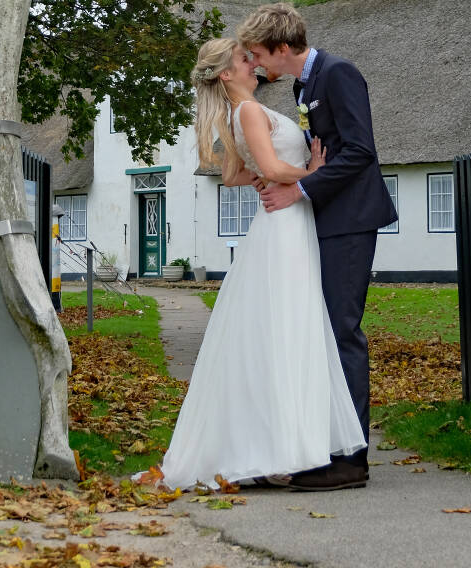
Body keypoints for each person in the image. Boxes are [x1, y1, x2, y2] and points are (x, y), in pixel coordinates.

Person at [154, 37, 366, 492]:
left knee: (280, 331)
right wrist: (309, 172)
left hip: (282, 224)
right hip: (286, 225)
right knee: (291, 330)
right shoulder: (248, 111)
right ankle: (285, 446)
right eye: (243, 60)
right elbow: (271, 166)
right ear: (226, 75)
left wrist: (270, 178)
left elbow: (232, 175)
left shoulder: (239, 113)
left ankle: (282, 444)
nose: (253, 64)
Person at [237, 3, 397, 491]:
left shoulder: (339, 73)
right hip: (323, 221)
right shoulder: (303, 85)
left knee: (342, 331)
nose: (256, 64)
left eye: (259, 54)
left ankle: (351, 460)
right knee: (322, 332)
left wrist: (301, 189)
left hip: (350, 220)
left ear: (282, 48)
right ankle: (323, 446)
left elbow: (360, 151)